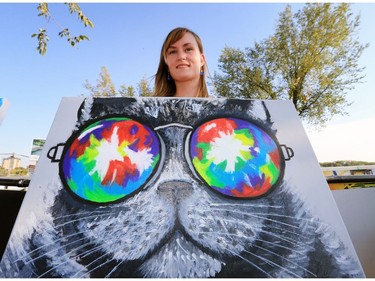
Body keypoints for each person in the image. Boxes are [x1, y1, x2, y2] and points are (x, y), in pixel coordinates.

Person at [154, 27, 209, 98]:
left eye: (188, 49)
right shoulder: (148, 108)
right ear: (166, 65)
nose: (181, 56)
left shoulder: (224, 107)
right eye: (173, 52)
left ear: (202, 59)